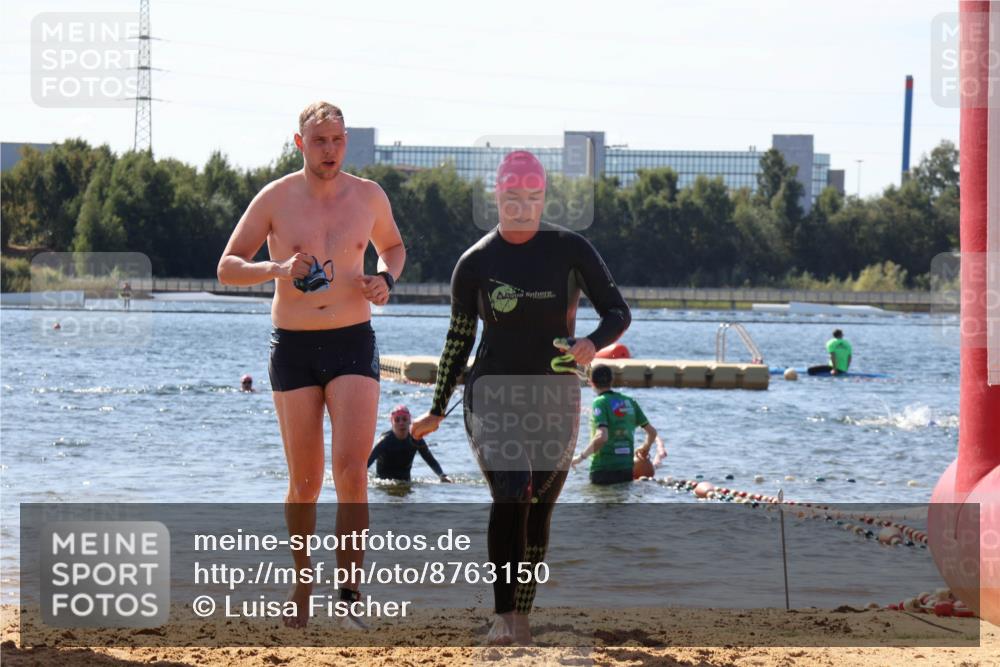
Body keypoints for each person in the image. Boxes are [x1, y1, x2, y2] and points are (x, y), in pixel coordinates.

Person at [411, 150, 631, 645]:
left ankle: (522, 618)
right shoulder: (476, 262)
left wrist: (592, 342)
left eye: (533, 197)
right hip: (491, 394)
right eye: (513, 196)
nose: (522, 207)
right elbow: (458, 341)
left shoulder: (571, 250)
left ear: (544, 197)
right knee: (513, 487)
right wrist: (437, 408)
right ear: (497, 195)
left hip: (555, 397)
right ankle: (502, 615)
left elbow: (618, 311)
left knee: (538, 510)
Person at [216, 101, 405, 630]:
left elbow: (393, 246)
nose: (330, 150)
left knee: (351, 473)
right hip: (293, 347)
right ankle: (302, 581)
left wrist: (385, 279)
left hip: (352, 341)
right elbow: (227, 267)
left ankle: (349, 594)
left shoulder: (368, 196)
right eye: (319, 141)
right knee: (305, 482)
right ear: (300, 143)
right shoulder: (275, 198)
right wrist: (277, 268)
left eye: (338, 140)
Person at [571, 365, 665, 484]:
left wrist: (580, 458)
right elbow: (652, 432)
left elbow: (602, 437)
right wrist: (645, 448)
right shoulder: (629, 401)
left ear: (590, 382)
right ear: (612, 380)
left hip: (603, 470)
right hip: (626, 469)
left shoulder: (600, 402)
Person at [368, 405, 451, 482]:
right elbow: (367, 463)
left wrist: (442, 475)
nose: (401, 423)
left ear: (410, 421)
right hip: (383, 484)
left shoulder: (416, 439)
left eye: (404, 419)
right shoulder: (384, 441)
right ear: (392, 422)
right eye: (397, 420)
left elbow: (430, 460)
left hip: (406, 482)